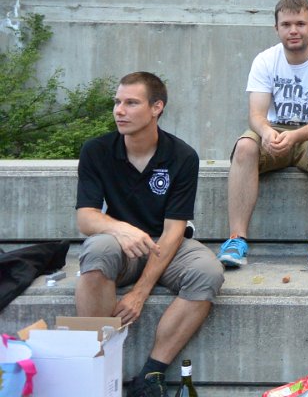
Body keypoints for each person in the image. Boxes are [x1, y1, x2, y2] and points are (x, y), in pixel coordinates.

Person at [75, 72, 224, 397]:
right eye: (117, 102)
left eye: (131, 103)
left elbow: (173, 232)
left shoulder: (182, 156)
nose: (119, 110)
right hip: (120, 247)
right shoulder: (96, 151)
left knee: (208, 271)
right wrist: (120, 228)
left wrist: (140, 293)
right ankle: (97, 368)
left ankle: (150, 375)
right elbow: (86, 218)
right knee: (98, 249)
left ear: (157, 107)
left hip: (164, 245)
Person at [217, 0, 308, 269]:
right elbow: (256, 114)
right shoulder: (265, 60)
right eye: (286, 24)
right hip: (275, 132)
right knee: (245, 146)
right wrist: (266, 132)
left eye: (300, 24)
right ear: (276, 28)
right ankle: (236, 240)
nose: (293, 30)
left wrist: (296, 136)